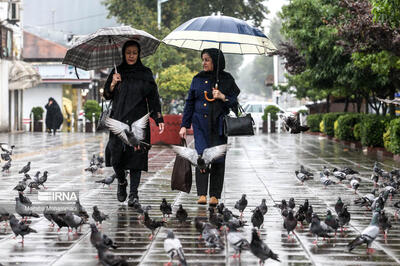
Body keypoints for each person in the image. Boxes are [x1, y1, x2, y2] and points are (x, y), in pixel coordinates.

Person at [103, 40, 165, 206]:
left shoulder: (145, 73)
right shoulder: (117, 71)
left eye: (134, 53)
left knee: (136, 158)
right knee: (115, 156)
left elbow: (153, 97)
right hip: (118, 119)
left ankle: (134, 194)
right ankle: (122, 182)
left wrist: (158, 118)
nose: (131, 56)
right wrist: (113, 82)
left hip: (139, 120)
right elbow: (107, 95)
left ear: (138, 54)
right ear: (124, 54)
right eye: (128, 52)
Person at [179, 48, 240, 206]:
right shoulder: (197, 79)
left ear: (216, 61)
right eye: (203, 59)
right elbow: (189, 103)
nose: (203, 63)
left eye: (207, 60)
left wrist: (222, 96)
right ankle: (201, 194)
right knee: (202, 157)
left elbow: (235, 104)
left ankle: (214, 195)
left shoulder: (226, 79)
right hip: (200, 125)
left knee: (218, 158)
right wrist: (184, 125)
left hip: (219, 125)